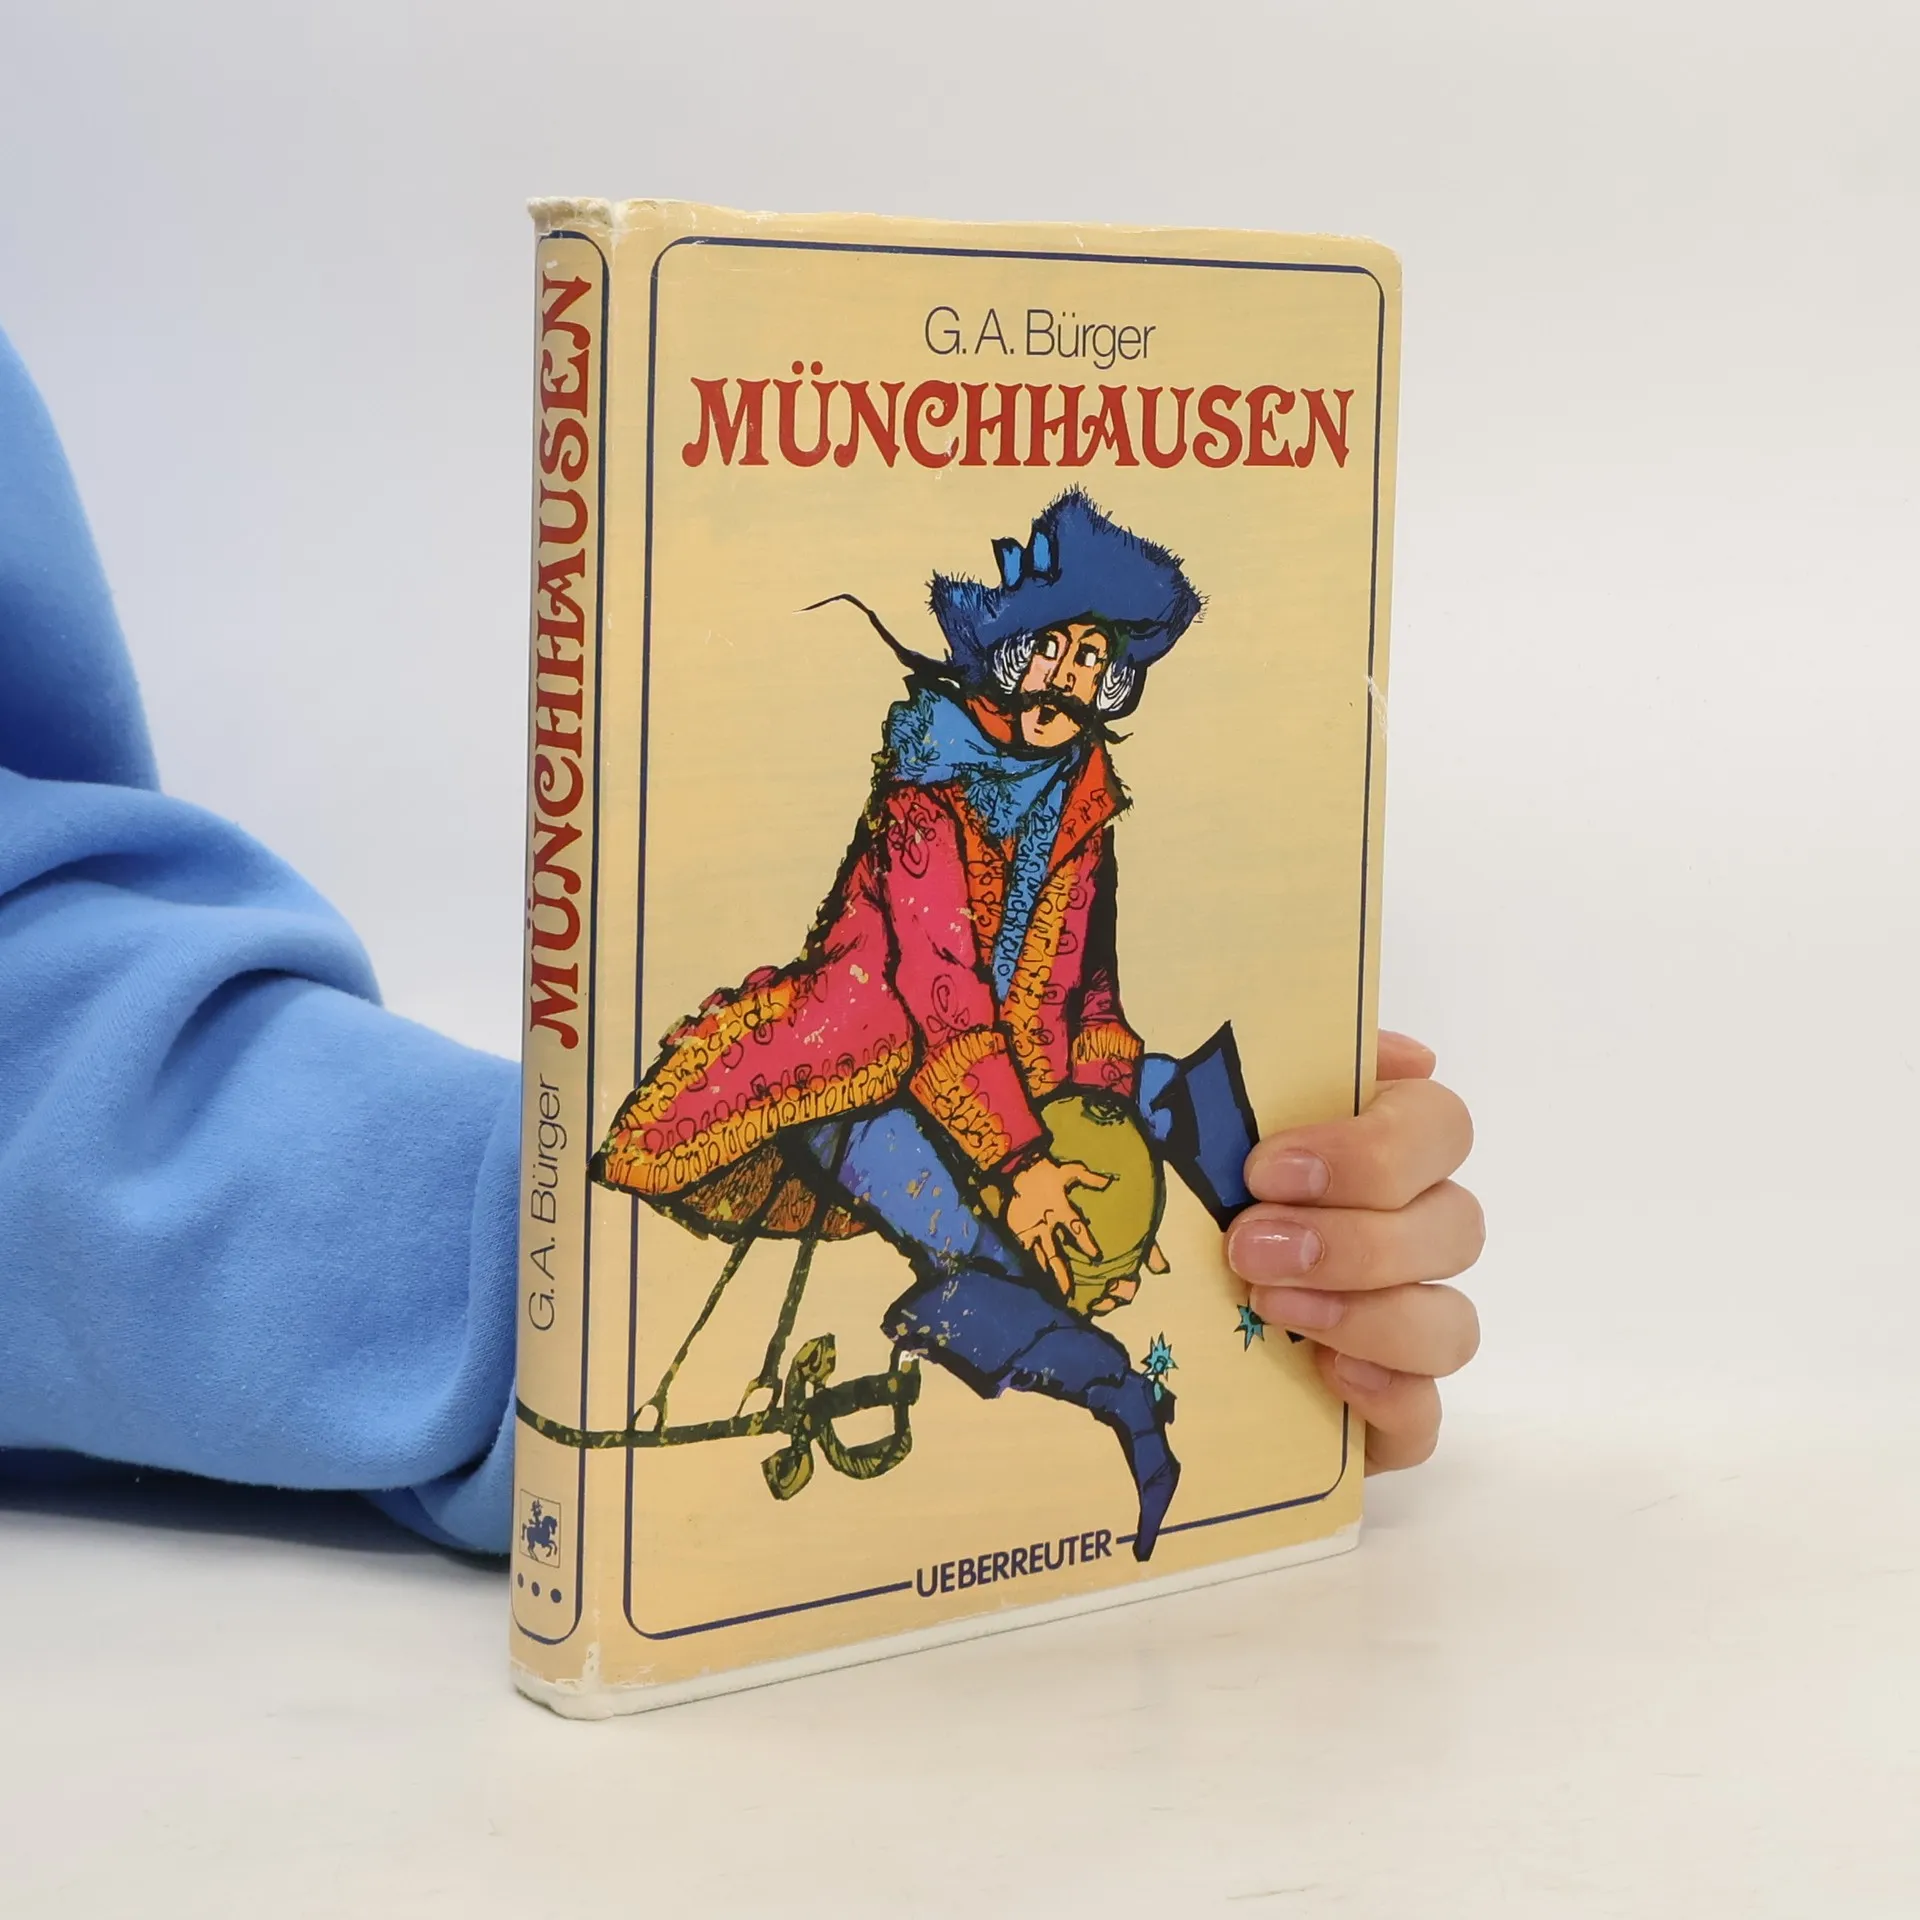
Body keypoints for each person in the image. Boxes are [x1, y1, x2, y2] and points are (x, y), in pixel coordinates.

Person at [0, 328, 1482, 1558]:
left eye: (1102, 667)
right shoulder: (933, 789)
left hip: (974, 1095)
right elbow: (935, 996)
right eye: (1057, 651)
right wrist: (526, 1314)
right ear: (1001, 647)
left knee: (1187, 1100)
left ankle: (1213, 1322)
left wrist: (1267, 1227)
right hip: (849, 1064)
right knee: (948, 1205)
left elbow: (1078, 986)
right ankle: (1074, 1376)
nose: (1072, 687)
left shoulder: (1078, 800)